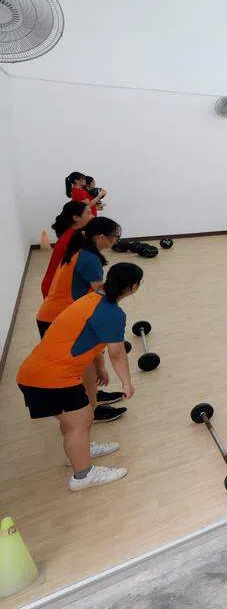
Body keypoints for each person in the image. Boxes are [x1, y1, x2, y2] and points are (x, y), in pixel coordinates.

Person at [17, 262, 142, 491]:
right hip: (53, 379)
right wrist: (127, 383)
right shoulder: (113, 313)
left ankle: (79, 451)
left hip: (36, 372)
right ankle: (83, 475)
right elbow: (117, 352)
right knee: (80, 422)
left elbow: (91, 338)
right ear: (133, 287)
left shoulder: (90, 299)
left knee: (75, 421)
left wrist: (100, 367)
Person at [36, 217, 128, 423]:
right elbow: (101, 297)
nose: (116, 240)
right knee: (80, 368)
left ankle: (91, 396)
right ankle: (88, 412)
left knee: (86, 366)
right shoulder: (90, 260)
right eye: (115, 237)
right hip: (57, 318)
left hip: (56, 314)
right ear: (100, 237)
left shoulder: (84, 252)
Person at [42, 201, 93, 297]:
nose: (93, 216)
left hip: (55, 286)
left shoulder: (74, 234)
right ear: (76, 218)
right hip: (56, 289)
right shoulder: (73, 239)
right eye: (89, 213)